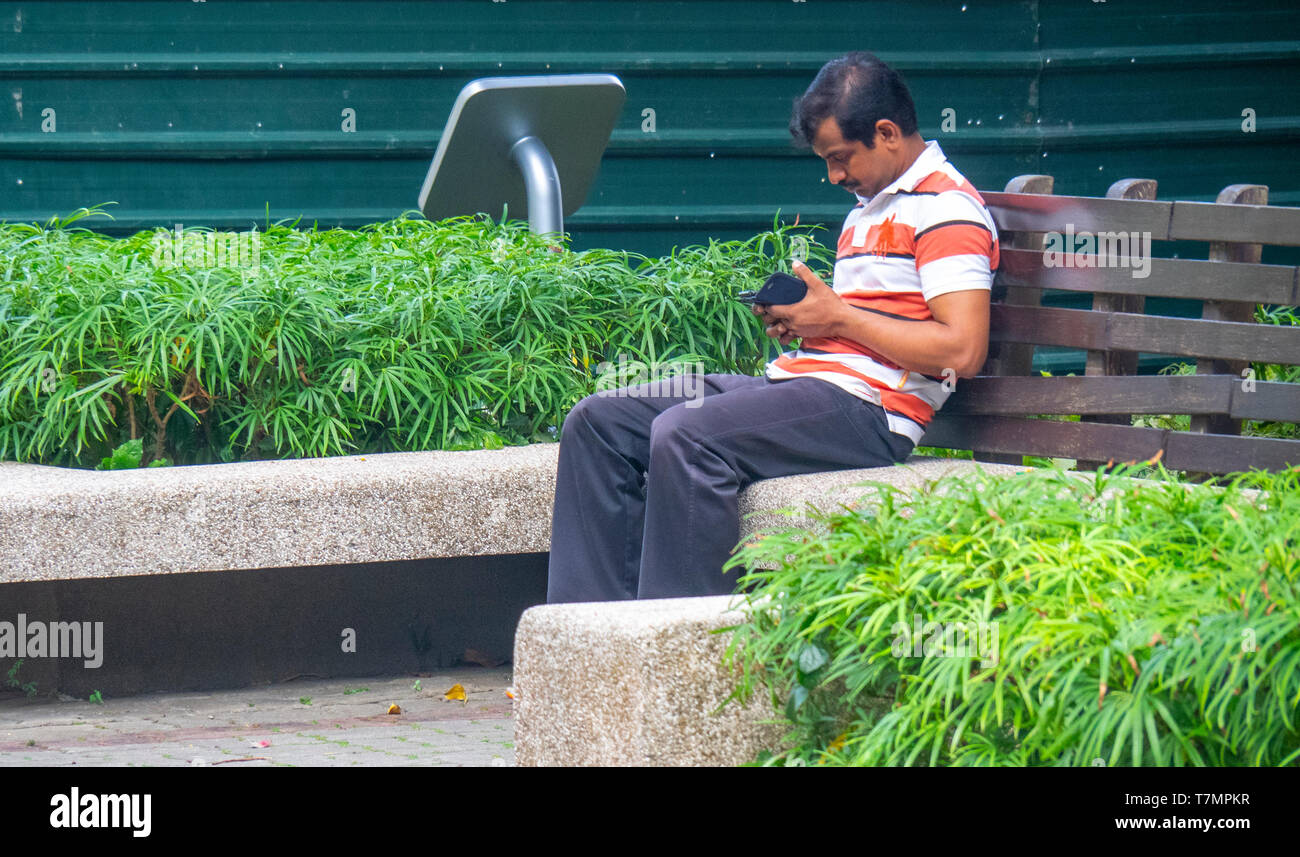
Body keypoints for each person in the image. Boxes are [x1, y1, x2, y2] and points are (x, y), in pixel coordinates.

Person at [546, 51, 998, 603]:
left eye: (840, 157)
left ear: (886, 133)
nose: (834, 176)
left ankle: (682, 649)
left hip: (871, 411)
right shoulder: (870, 206)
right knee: (600, 422)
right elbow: (863, 326)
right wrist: (810, 323)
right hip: (803, 385)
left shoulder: (947, 210)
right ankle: (590, 640)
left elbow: (963, 349)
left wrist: (837, 317)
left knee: (686, 435)